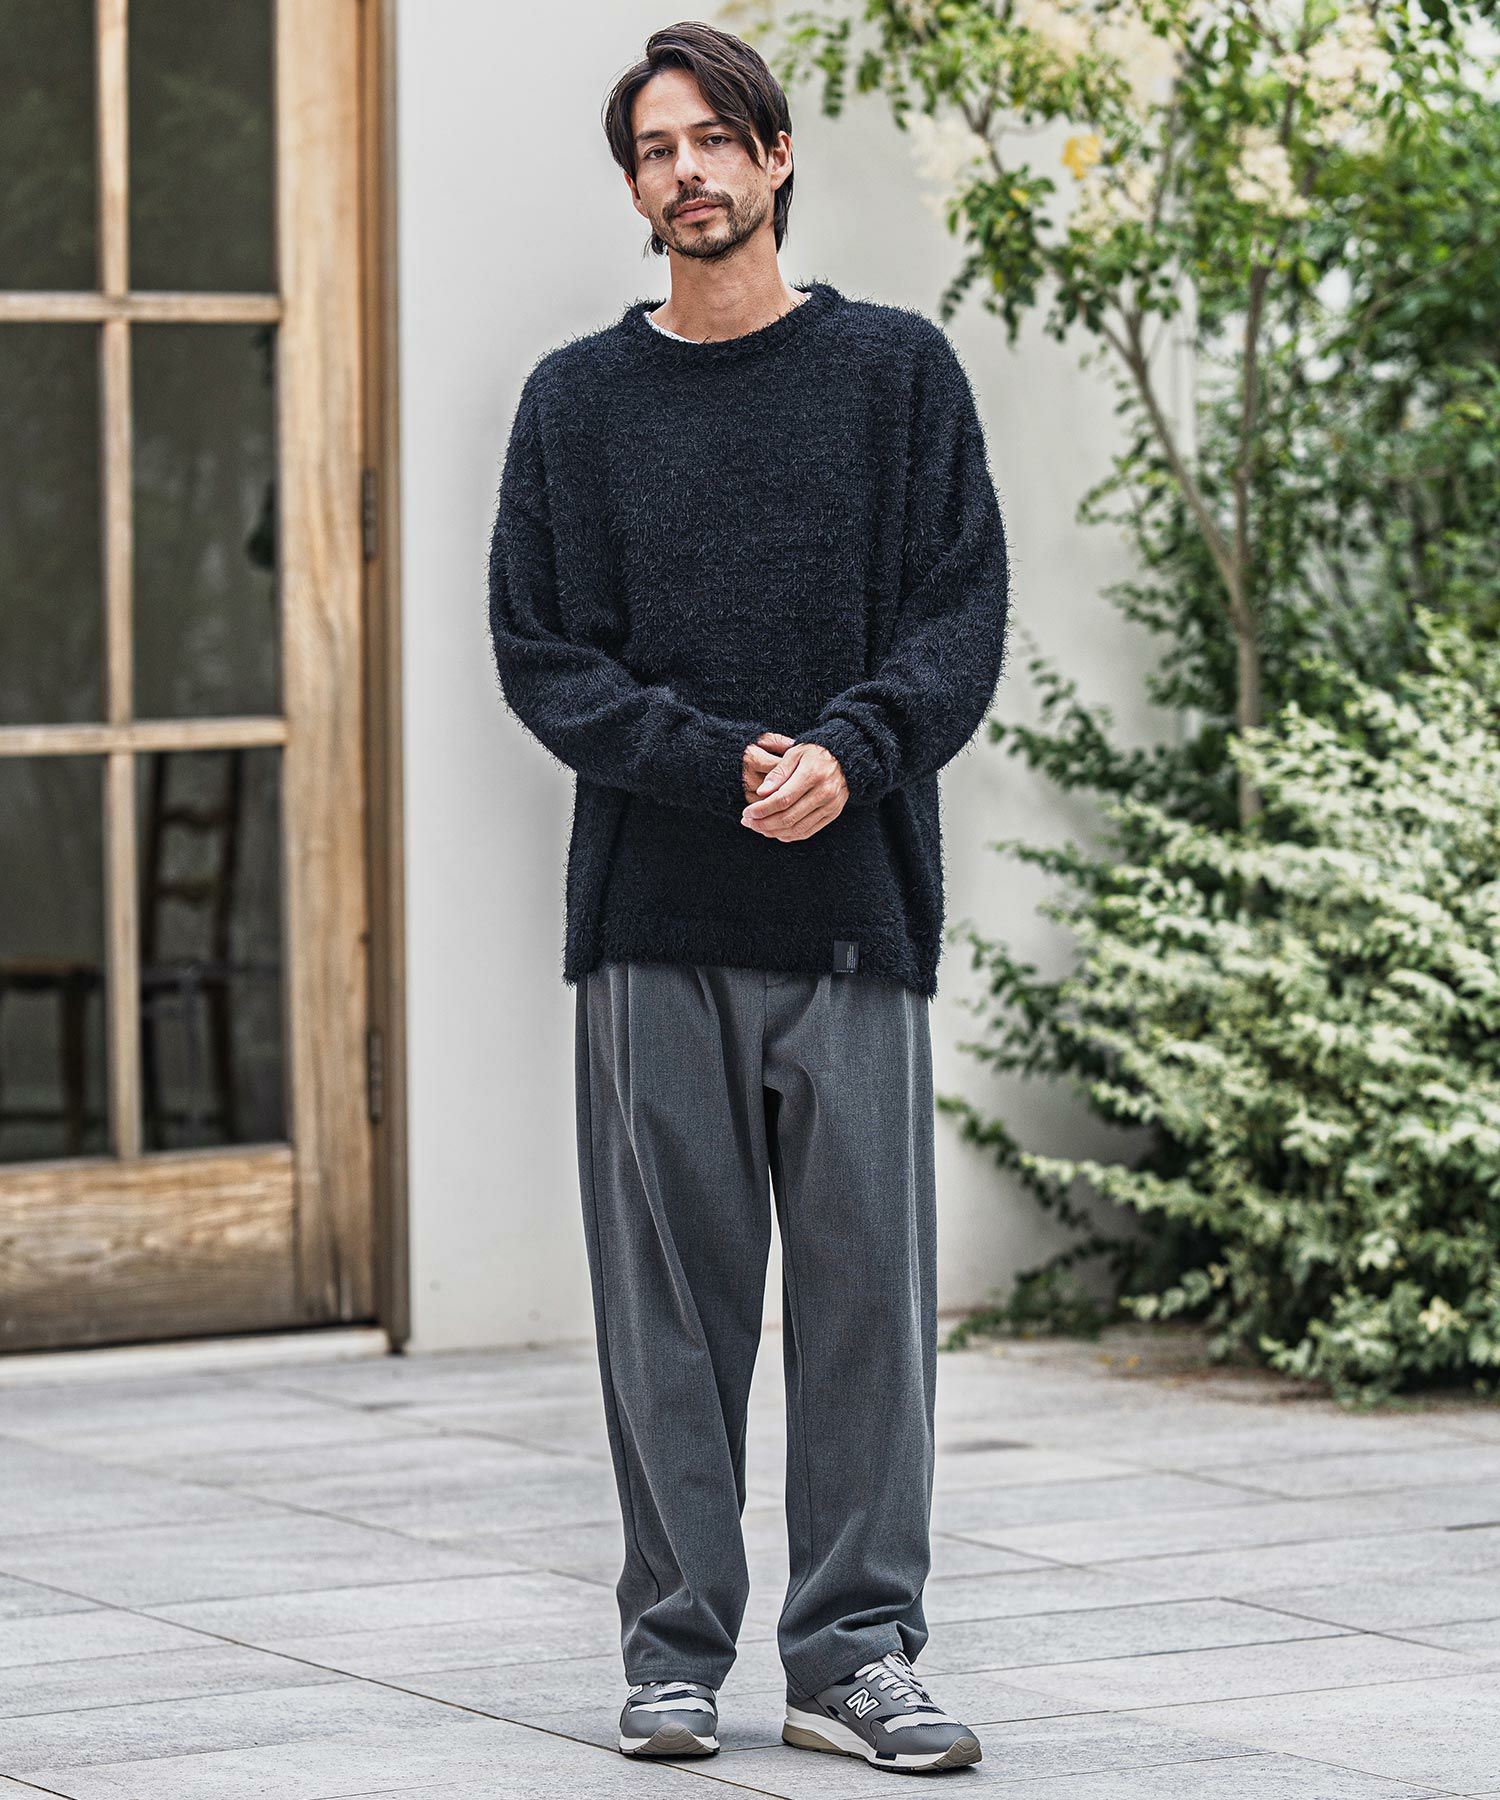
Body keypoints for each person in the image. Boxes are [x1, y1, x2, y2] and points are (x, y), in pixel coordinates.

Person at [487, 18, 1008, 1777]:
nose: (688, 171)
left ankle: (853, 1656)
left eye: (715, 137)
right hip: (653, 921)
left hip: (854, 910)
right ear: (633, 188)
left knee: (867, 1312)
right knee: (668, 1320)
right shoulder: (575, 403)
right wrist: (724, 766)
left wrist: (852, 755)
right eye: (656, 149)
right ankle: (673, 1651)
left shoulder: (896, 377)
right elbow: (543, 656)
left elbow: (957, 615)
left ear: (778, 156)